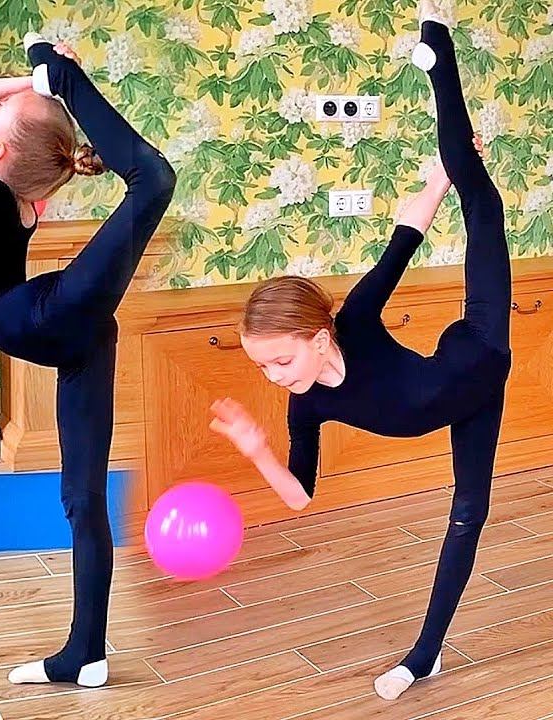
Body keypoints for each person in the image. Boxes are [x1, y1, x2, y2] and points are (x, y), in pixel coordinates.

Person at [210, 16, 511, 701]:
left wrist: (440, 178)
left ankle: (439, 51)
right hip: (470, 402)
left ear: (318, 339)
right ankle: (425, 657)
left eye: (280, 362)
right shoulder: (307, 405)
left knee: (480, 201)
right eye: (263, 369)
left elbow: (405, 237)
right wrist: (257, 449)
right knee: (468, 515)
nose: (275, 378)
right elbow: (300, 495)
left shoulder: (355, 320)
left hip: (481, 346)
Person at [0, 33, 175, 687]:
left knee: (153, 180)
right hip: (74, 334)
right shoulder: (6, 188)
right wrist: (32, 81)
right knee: (82, 499)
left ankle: (86, 649)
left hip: (53, 319)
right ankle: (85, 652)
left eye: (0, 112)